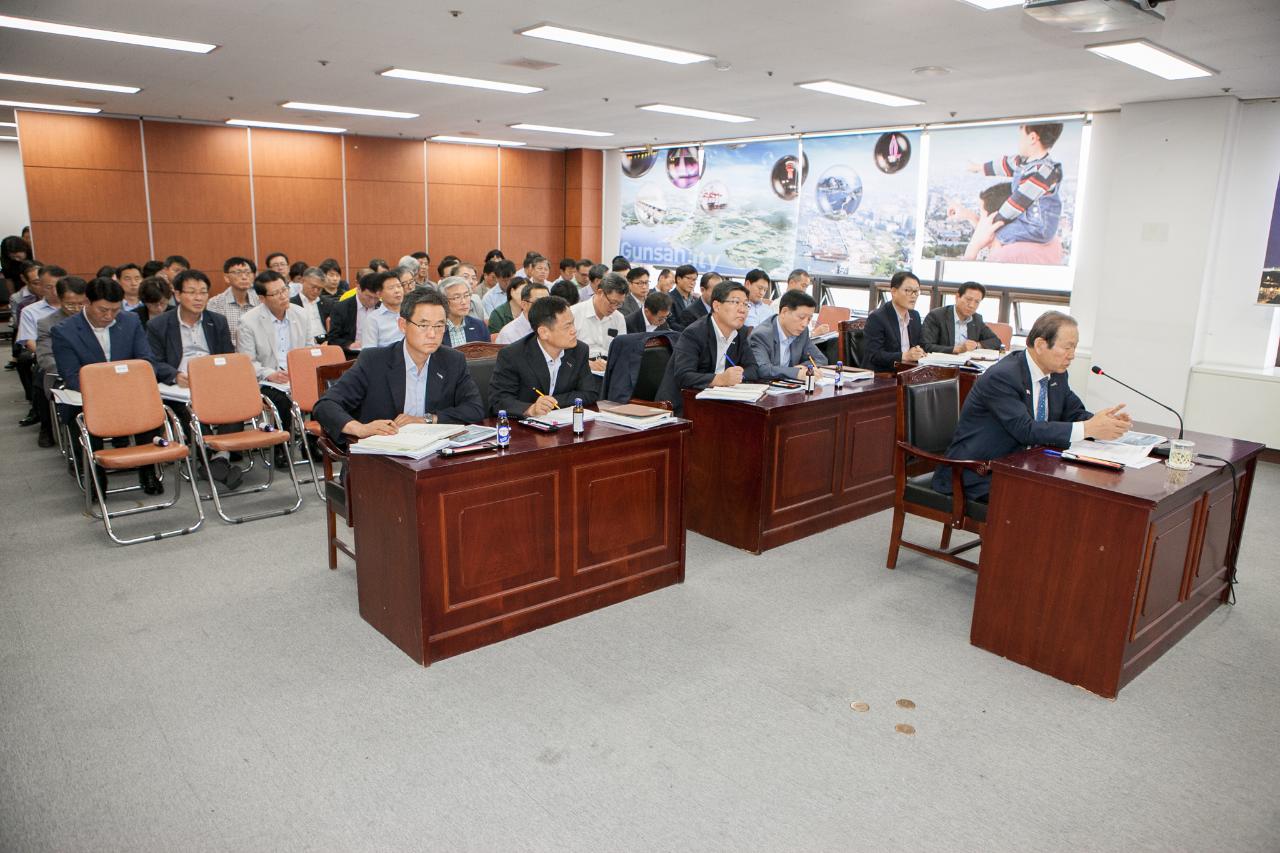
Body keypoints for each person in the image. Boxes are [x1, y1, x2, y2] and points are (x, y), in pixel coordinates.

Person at [933, 311, 1130, 500]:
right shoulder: (1003, 377)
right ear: (1040, 344)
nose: (1072, 355)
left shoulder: (1057, 374)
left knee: (1082, 489)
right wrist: (1088, 428)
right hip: (978, 471)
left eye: (1075, 347)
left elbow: (1074, 412)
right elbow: (1025, 429)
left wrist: (1103, 423)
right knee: (1054, 498)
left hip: (1025, 465)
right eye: (1067, 347)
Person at [313, 289, 484, 444]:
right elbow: (326, 405)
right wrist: (359, 428)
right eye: (423, 325)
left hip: (433, 455)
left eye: (439, 326)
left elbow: (474, 409)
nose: (432, 334)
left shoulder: (452, 360)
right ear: (403, 325)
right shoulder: (374, 361)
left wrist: (426, 420)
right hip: (382, 456)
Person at [51, 277, 165, 494]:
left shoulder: (130, 321)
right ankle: (95, 476)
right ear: (87, 302)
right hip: (88, 397)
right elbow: (72, 375)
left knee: (150, 411)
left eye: (115, 310)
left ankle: (147, 470)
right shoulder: (64, 331)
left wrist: (126, 388)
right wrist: (107, 392)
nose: (109, 316)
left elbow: (146, 361)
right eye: (103, 310)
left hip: (129, 393)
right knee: (80, 419)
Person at [951, 122, 1065, 262]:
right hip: (1032, 223)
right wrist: (979, 168)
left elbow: (1017, 203)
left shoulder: (1043, 172)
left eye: (1020, 136)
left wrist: (992, 226)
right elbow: (1005, 164)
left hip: (1038, 225)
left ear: (1033, 138)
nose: (1019, 142)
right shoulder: (1025, 163)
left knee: (1000, 235)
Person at [237, 271, 316, 457]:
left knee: (322, 391)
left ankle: (313, 444)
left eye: (285, 290)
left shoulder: (301, 314)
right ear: (262, 298)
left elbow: (308, 348)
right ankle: (282, 447)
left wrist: (299, 369)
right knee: (280, 400)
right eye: (276, 293)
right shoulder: (248, 322)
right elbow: (246, 361)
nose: (283, 296)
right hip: (266, 379)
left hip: (297, 374)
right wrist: (269, 374)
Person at [657, 280, 761, 412]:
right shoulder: (695, 333)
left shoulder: (740, 333)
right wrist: (720, 379)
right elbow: (684, 375)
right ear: (717, 306)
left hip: (719, 403)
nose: (742, 309)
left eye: (746, 304)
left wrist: (737, 376)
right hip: (683, 406)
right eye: (735, 302)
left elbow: (753, 369)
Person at [488, 295, 600, 418]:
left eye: (573, 323)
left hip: (563, 424)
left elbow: (589, 393)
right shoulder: (512, 355)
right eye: (567, 326)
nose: (574, 330)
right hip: (523, 430)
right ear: (543, 332)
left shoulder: (579, 350)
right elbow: (498, 401)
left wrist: (551, 402)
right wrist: (530, 409)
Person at [146, 269, 234, 387]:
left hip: (214, 381)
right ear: (177, 295)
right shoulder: (158, 325)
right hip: (179, 384)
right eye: (192, 292)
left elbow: (228, 356)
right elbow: (154, 361)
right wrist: (175, 376)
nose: (199, 298)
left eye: (203, 292)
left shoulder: (218, 321)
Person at [33, 276, 88, 447]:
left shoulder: (95, 318)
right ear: (60, 299)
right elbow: (45, 357)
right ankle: (77, 454)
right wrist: (70, 372)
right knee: (71, 405)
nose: (77, 309)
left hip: (96, 373)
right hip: (63, 376)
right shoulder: (47, 323)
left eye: (82, 304)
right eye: (71, 304)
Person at [748, 289, 827, 380]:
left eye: (809, 319)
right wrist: (796, 373)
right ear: (784, 312)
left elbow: (821, 359)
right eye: (801, 317)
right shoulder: (761, 335)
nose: (805, 324)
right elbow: (763, 369)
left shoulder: (802, 332)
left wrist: (801, 368)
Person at [863, 271, 925, 371]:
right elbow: (874, 355)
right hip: (883, 376)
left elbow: (919, 344)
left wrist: (920, 351)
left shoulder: (915, 316)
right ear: (894, 291)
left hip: (908, 373)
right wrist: (904, 356)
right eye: (908, 291)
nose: (913, 296)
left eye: (916, 291)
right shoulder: (877, 318)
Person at [921, 281, 1003, 354]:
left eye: (977, 302)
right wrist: (956, 349)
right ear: (957, 297)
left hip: (968, 366)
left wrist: (977, 345)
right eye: (968, 299)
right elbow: (926, 346)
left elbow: (996, 341)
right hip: (942, 366)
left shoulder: (976, 319)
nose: (972, 305)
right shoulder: (937, 316)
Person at [570, 273, 629, 371]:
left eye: (619, 304)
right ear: (600, 292)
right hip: (580, 368)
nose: (614, 308)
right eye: (612, 302)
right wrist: (587, 364)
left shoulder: (619, 318)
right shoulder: (574, 313)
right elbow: (563, 352)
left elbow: (622, 351)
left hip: (609, 369)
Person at [206, 256, 260, 347]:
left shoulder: (260, 301)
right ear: (227, 278)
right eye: (238, 273)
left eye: (247, 272)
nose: (244, 277)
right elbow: (214, 337)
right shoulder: (215, 303)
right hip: (229, 355)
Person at [327, 271, 383, 353]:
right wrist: (349, 345)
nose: (373, 302)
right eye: (369, 297)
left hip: (378, 353)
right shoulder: (341, 308)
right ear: (359, 288)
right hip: (353, 355)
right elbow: (332, 340)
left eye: (376, 298)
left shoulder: (382, 307)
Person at [439, 276, 489, 346]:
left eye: (466, 295)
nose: (464, 302)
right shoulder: (437, 329)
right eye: (457, 297)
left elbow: (488, 354)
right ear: (444, 301)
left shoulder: (479, 326)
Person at [363, 271, 407, 348]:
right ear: (379, 294)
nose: (397, 291)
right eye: (391, 288)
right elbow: (369, 352)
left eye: (399, 286)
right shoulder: (373, 319)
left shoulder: (411, 312)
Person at [290, 266, 328, 339]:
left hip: (325, 342)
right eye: (313, 287)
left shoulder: (328, 304)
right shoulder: (291, 304)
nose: (316, 291)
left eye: (320, 289)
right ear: (303, 281)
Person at [666, 264, 698, 330]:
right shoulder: (667, 298)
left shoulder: (696, 300)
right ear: (678, 279)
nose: (692, 283)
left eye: (694, 280)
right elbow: (671, 324)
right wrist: (691, 333)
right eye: (688, 278)